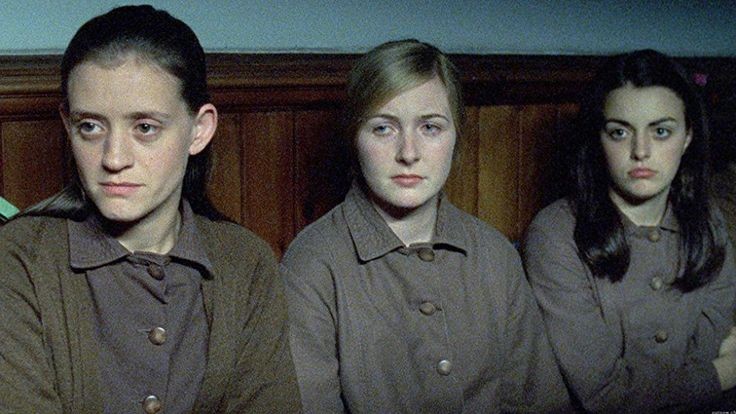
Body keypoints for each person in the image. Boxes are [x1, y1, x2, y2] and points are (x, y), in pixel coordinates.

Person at [0, 6, 300, 413]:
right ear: (68, 124)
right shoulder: (19, 258)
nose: (113, 158)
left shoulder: (245, 263)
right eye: (90, 126)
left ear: (199, 130)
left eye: (145, 128)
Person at [281, 39, 570, 413]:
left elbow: (539, 401)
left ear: (456, 136)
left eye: (430, 127)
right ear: (354, 137)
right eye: (383, 128)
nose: (408, 153)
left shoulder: (494, 255)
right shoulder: (313, 264)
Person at [523, 49, 736, 413]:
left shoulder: (708, 223)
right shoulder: (555, 234)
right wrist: (723, 373)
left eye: (661, 131)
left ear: (687, 137)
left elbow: (707, 349)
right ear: (598, 138)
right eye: (620, 132)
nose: (641, 151)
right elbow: (606, 396)